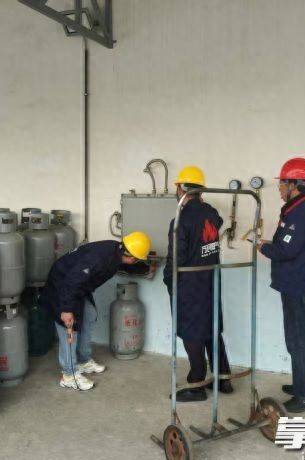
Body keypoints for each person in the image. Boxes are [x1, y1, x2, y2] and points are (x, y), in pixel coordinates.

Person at [40, 232, 152, 391]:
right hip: (63, 286)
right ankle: (69, 375)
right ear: (131, 256)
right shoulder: (99, 258)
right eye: (137, 259)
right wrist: (66, 309)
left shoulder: (116, 251)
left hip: (77, 287)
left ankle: (83, 360)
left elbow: (123, 265)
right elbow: (72, 281)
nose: (136, 261)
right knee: (69, 328)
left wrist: (146, 268)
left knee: (89, 315)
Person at [257, 157, 305, 413]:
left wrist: (263, 247)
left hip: (300, 286)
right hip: (298, 283)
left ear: (293, 184)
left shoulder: (302, 212)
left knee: (301, 340)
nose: (279, 188)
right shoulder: (301, 208)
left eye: (281, 183)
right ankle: (302, 385)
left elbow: (287, 250)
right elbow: (291, 244)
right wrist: (271, 244)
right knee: (298, 338)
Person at [164, 166, 233, 402]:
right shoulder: (211, 214)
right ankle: (223, 378)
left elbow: (176, 258)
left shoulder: (180, 220)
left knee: (192, 333)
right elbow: (219, 222)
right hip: (211, 281)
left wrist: (169, 281)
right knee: (211, 328)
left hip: (190, 284)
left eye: (177, 186)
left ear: (182, 188)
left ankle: (196, 385)